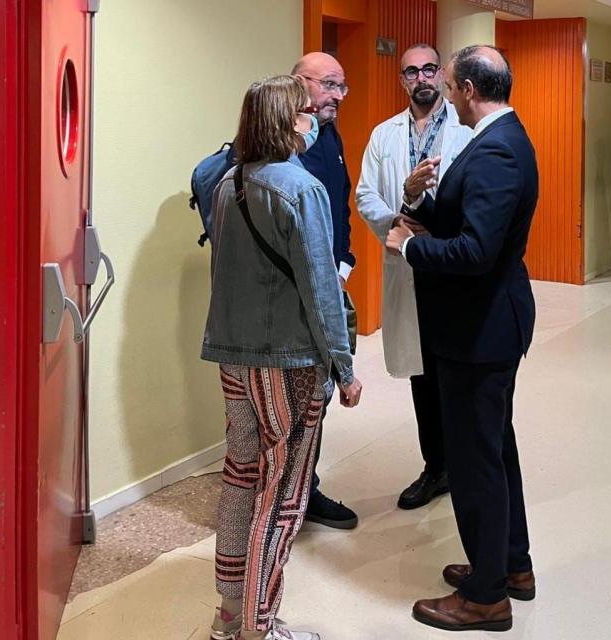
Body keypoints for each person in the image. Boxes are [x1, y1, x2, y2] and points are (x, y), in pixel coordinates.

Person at [202, 75, 363, 640]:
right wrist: (343, 367)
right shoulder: (300, 188)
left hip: (232, 357)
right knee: (284, 494)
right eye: (303, 110)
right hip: (288, 364)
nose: (312, 117)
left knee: (240, 478)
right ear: (286, 120)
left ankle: (228, 613)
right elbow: (321, 288)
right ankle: (259, 625)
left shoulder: (227, 183)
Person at [386, 45, 537, 633]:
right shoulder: (501, 138)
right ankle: (510, 566)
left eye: (450, 85)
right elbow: (475, 226)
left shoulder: (497, 149)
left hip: (480, 329)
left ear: (470, 88)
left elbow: (478, 253)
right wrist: (425, 208)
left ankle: (485, 596)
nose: (446, 93)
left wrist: (411, 246)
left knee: (477, 463)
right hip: (484, 325)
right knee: (495, 449)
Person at [355, 43, 472, 510]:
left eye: (428, 69)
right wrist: (396, 225)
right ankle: (435, 467)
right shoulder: (385, 134)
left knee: (454, 373)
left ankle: (463, 468)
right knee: (422, 376)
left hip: (449, 263)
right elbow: (365, 194)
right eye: (411, 72)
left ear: (441, 73)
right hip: (405, 263)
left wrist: (435, 225)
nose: (421, 78)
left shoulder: (466, 131)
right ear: (401, 80)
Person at [291, 52, 360, 529]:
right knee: (298, 397)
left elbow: (340, 204)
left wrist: (342, 267)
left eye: (342, 86)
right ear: (300, 84)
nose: (337, 95)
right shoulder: (286, 143)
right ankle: (290, 496)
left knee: (318, 395)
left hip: (328, 283)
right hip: (294, 294)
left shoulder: (328, 134)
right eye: (329, 85)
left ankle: (301, 488)